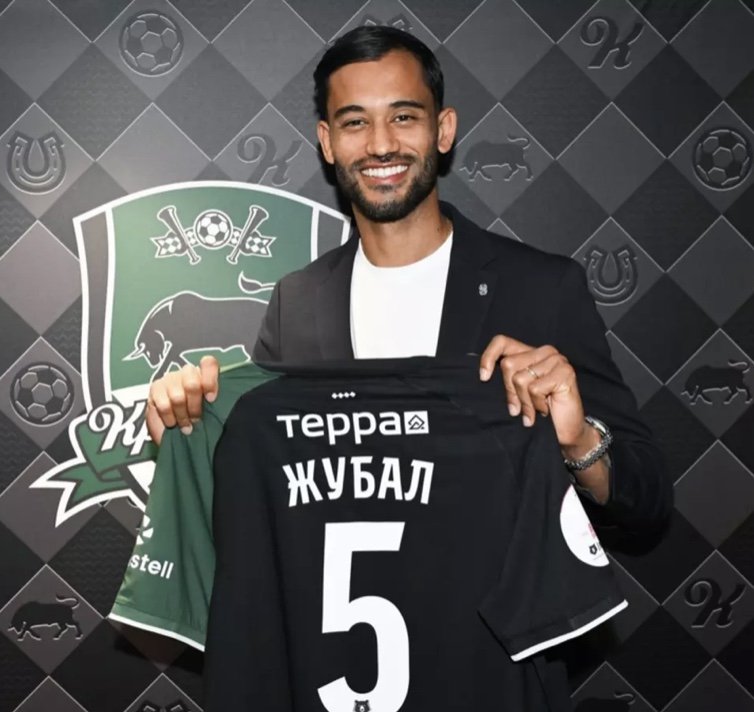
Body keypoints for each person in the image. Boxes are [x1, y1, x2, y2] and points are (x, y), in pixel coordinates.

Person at [144, 25, 671, 533]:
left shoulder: (542, 288)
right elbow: (264, 496)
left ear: (443, 130)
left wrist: (578, 443)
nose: (380, 145)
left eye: (403, 117)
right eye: (355, 122)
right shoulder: (296, 302)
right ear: (327, 142)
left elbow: (647, 506)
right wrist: (187, 434)